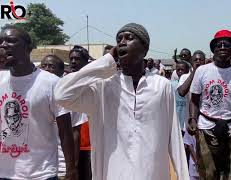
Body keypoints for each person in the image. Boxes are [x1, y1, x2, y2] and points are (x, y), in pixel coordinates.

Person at [54, 23, 189, 180]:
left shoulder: (161, 86)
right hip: (113, 173)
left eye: (129, 38)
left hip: (153, 173)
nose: (122, 42)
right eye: (119, 39)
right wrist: (106, 61)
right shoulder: (103, 87)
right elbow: (61, 95)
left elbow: (174, 136)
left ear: (144, 48)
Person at [0, 25, 76, 180]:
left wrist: (70, 170)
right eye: (0, 42)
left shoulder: (51, 83)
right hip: (4, 173)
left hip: (40, 173)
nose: (3, 45)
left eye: (10, 41)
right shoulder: (1, 80)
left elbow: (65, 130)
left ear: (28, 47)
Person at [188, 30, 231, 180]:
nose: (222, 47)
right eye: (218, 44)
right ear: (213, 48)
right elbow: (194, 99)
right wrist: (193, 119)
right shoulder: (202, 71)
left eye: (227, 44)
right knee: (209, 174)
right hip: (206, 128)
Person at [40, 55, 88, 180]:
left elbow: (75, 133)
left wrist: (72, 167)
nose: (47, 69)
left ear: (62, 71)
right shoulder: (34, 94)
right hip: (38, 167)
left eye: (51, 66)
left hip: (61, 166)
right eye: (44, 66)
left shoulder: (70, 96)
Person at [68, 45, 93, 180]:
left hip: (89, 142)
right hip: (71, 141)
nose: (73, 62)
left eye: (77, 59)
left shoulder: (93, 81)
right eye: (71, 58)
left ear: (86, 61)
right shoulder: (64, 83)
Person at [171, 61, 190, 132]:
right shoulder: (171, 85)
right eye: (178, 70)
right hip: (175, 120)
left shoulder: (192, 84)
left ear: (187, 71)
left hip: (187, 121)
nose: (180, 72)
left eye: (182, 70)